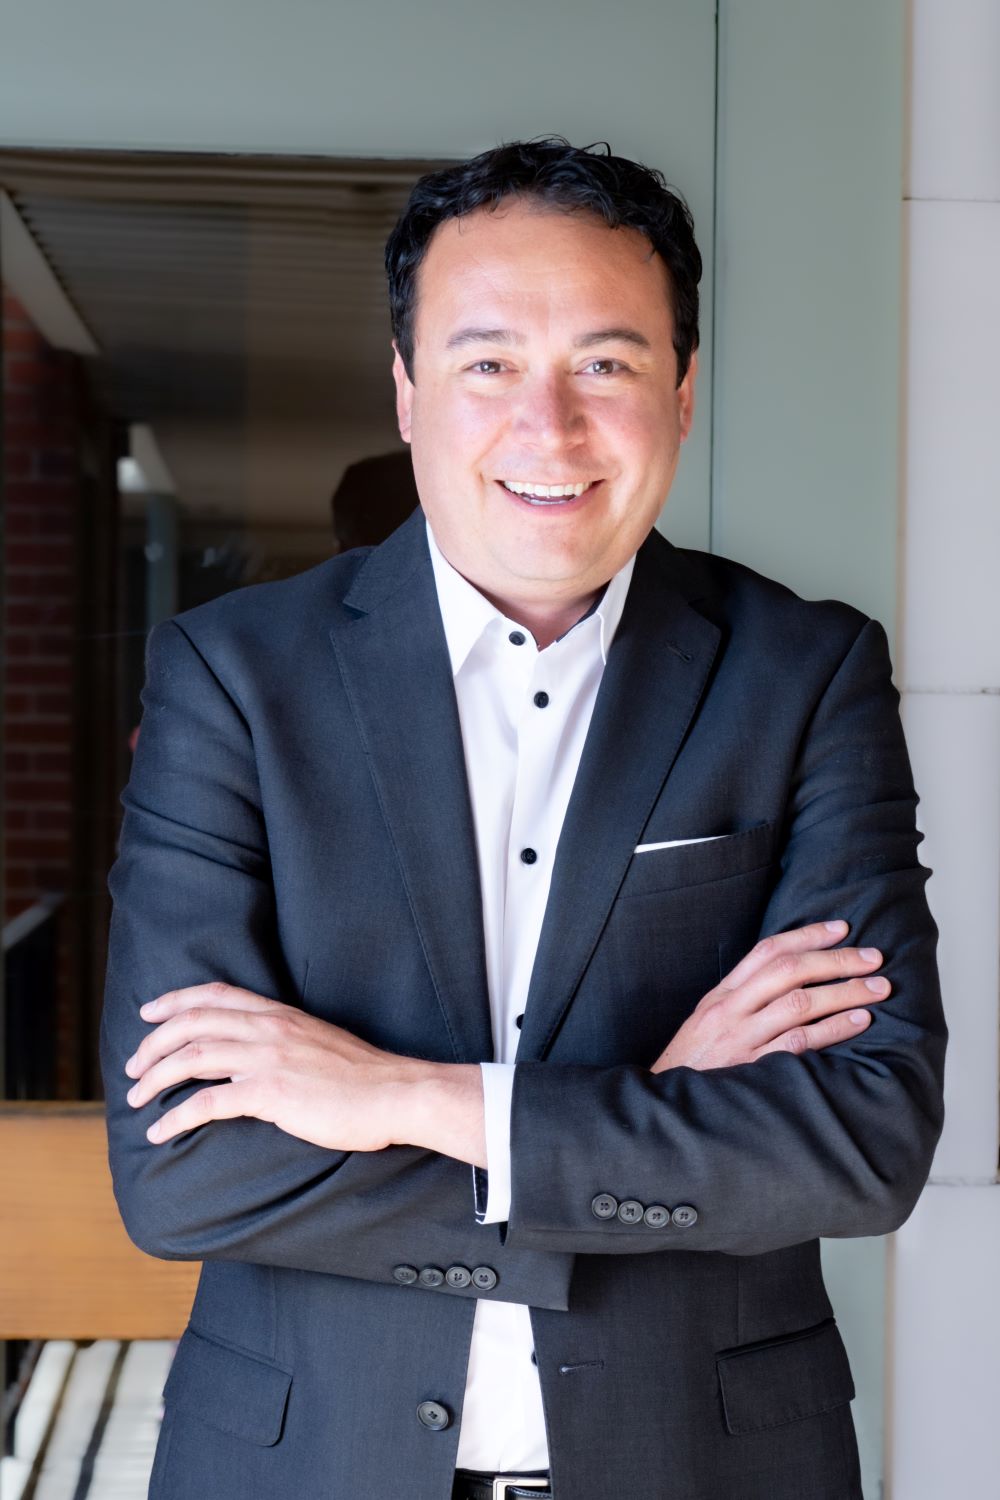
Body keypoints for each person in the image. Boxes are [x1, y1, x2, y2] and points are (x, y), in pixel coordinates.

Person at [101, 139, 946, 1500]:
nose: (546, 429)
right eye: (488, 362)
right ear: (408, 391)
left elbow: (858, 1146)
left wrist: (401, 1101)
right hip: (305, 1465)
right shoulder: (235, 680)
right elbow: (184, 1172)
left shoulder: (804, 675)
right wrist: (659, 1117)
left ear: (681, 392)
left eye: (606, 366)